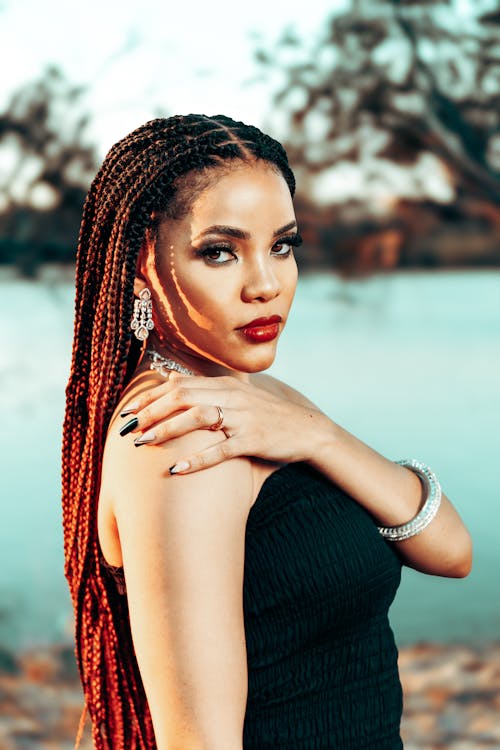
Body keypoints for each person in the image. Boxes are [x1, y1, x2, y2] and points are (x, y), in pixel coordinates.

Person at [62, 114, 472, 750]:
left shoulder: (256, 399)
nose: (267, 284)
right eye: (220, 251)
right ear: (142, 259)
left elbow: (451, 552)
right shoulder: (181, 435)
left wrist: (320, 437)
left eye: (282, 245)